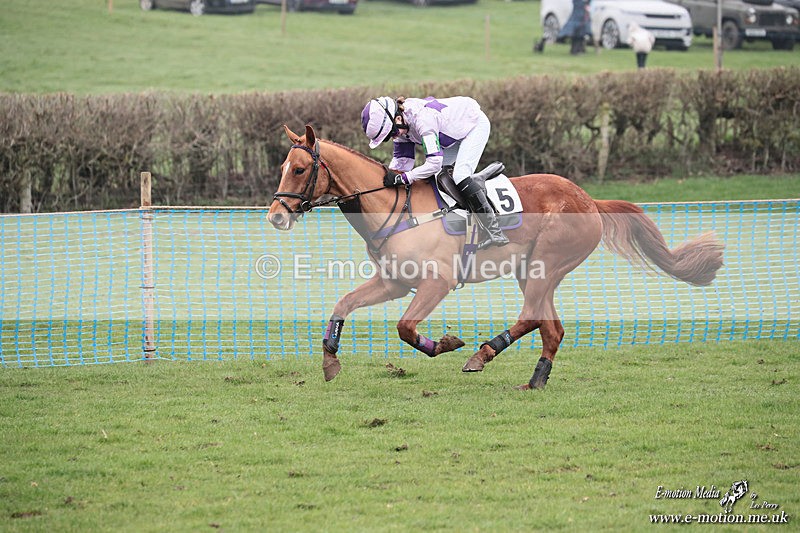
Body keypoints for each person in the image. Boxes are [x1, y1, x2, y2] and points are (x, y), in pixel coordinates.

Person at [360, 95, 509, 249]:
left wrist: (406, 178)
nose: (393, 138)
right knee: (438, 179)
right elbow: (403, 164)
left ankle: (494, 230)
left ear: (397, 119)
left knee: (460, 175)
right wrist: (388, 179)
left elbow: (434, 163)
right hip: (450, 135)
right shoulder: (401, 125)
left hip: (473, 126)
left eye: (391, 134)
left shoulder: (422, 120)